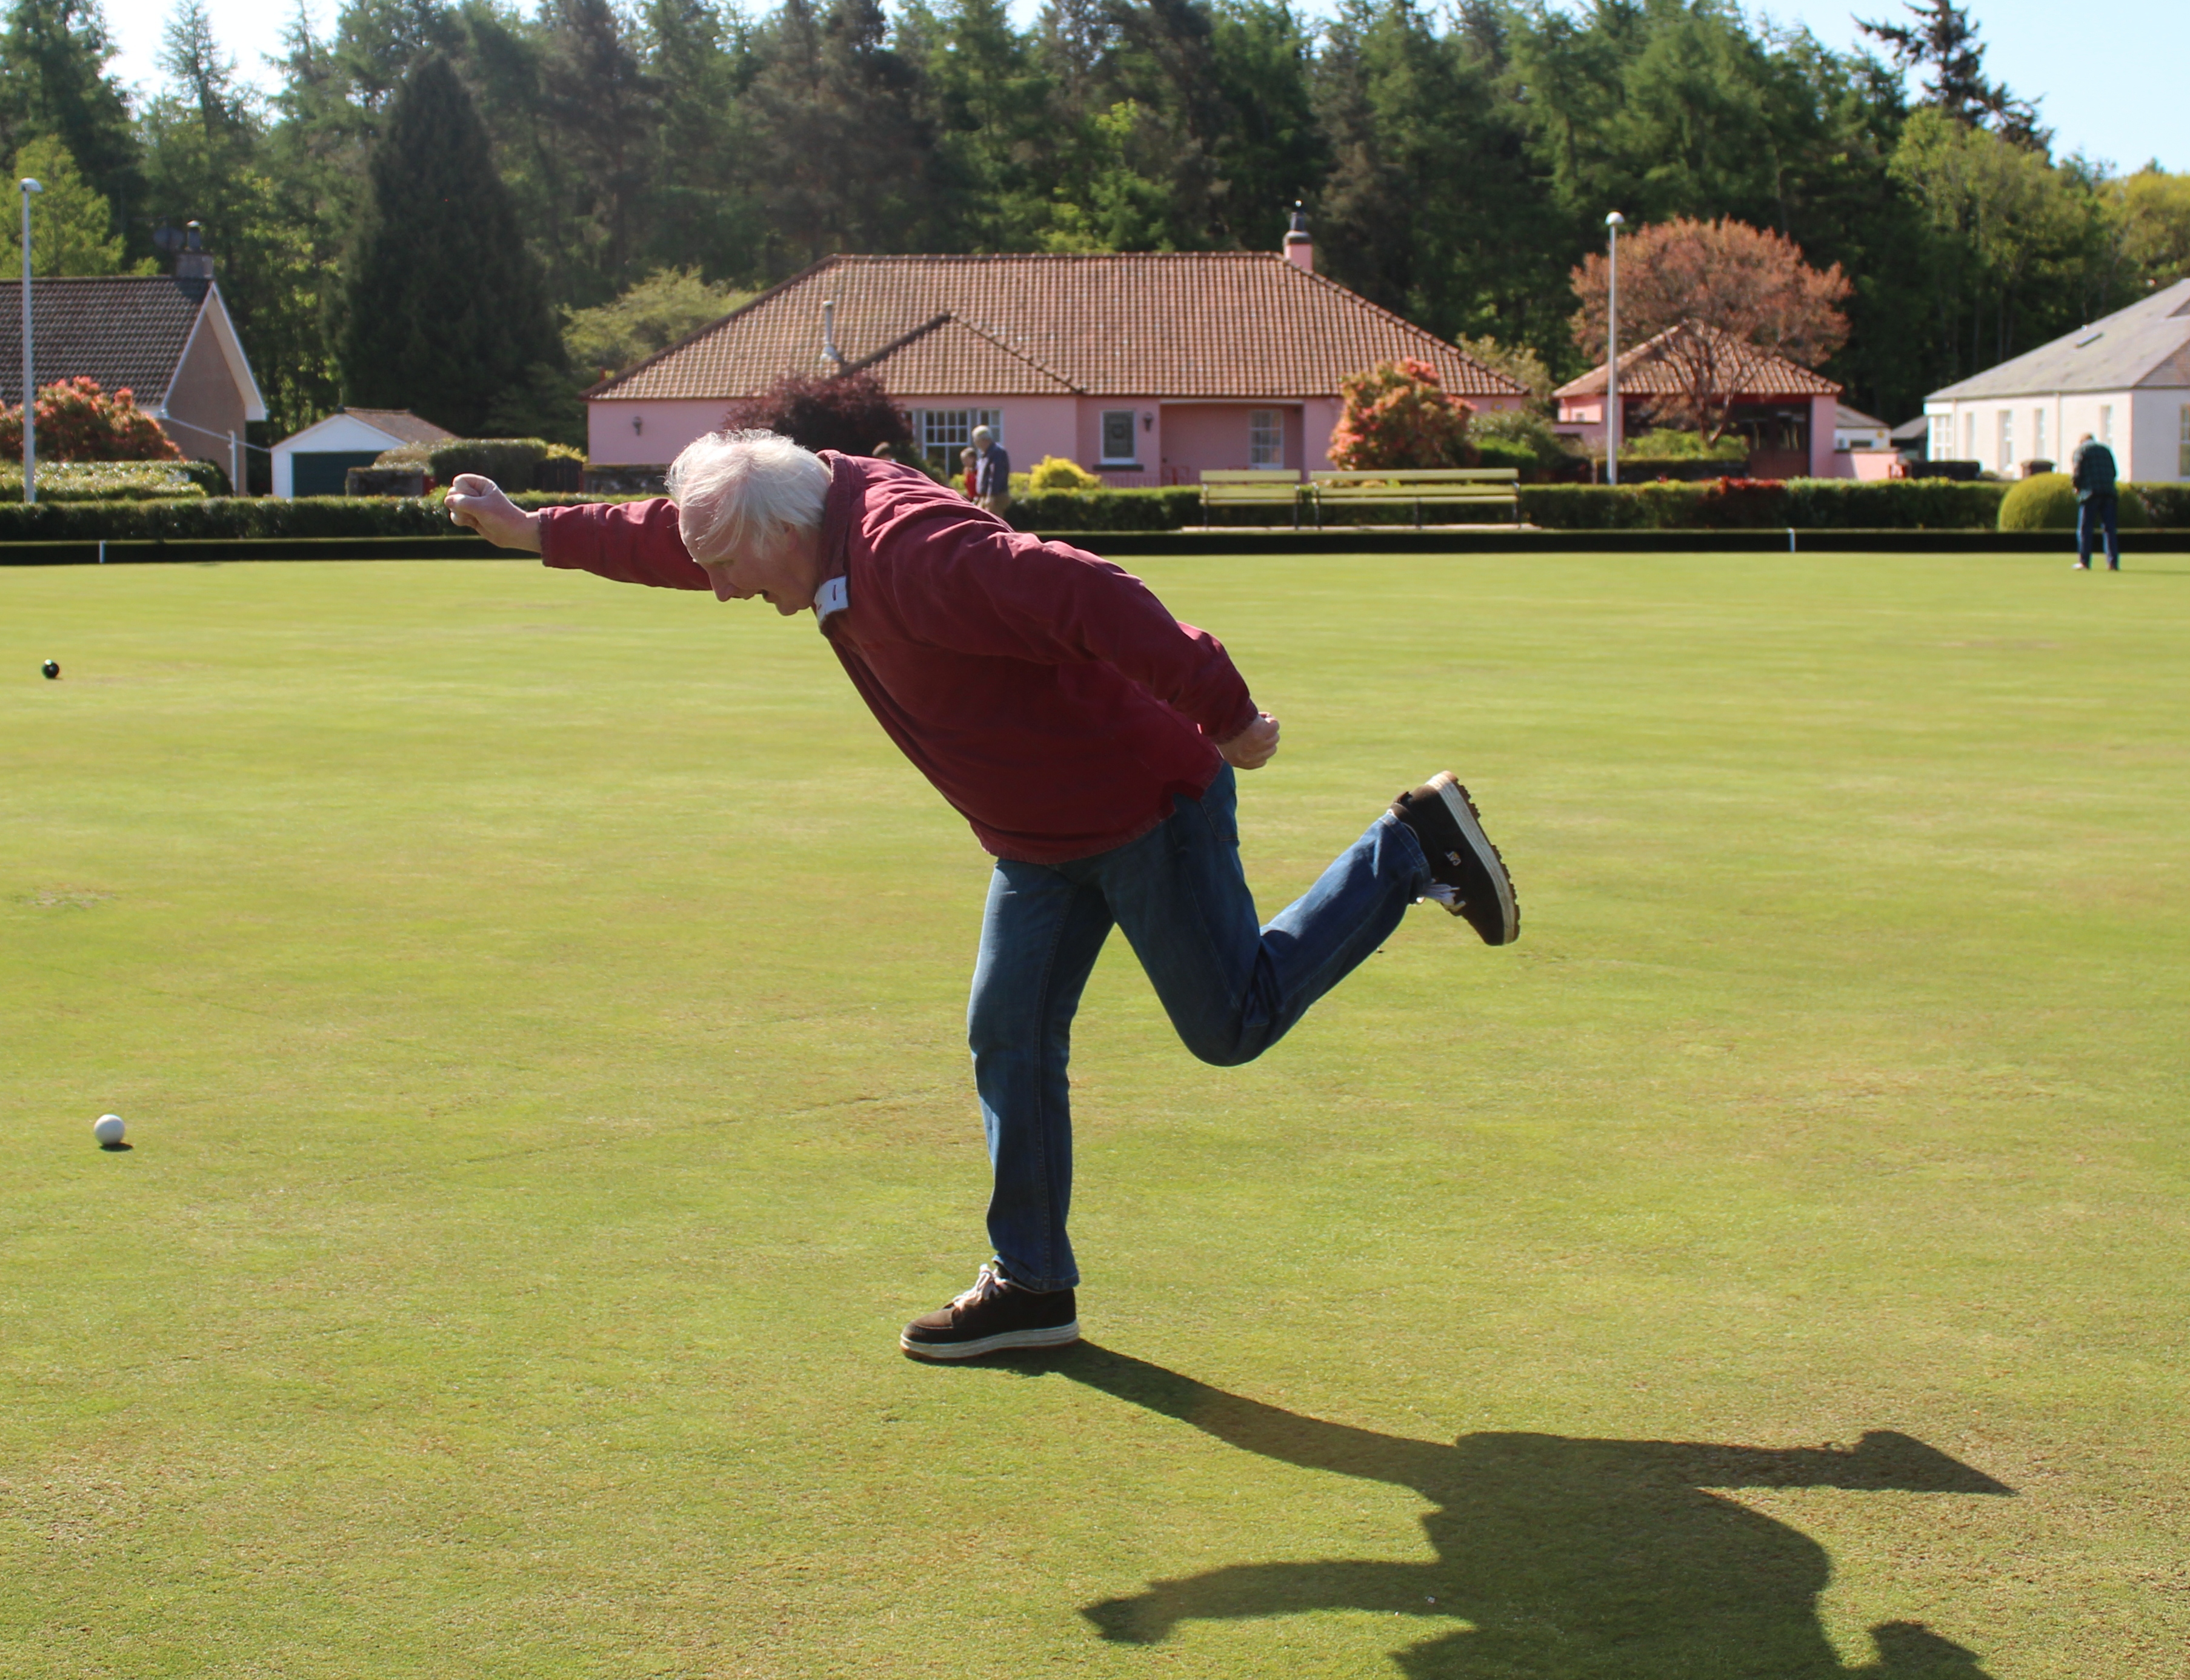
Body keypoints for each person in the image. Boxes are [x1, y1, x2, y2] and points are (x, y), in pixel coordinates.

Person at [445, 431, 1519, 1361]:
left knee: (1229, 1024)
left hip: (1141, 805)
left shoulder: (906, 554)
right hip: (1035, 837)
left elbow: (1085, 590)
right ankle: (1031, 1285)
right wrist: (535, 529)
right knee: (1005, 1035)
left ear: (780, 529)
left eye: (729, 567)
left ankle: (1405, 850)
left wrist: (1225, 715)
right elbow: (665, 536)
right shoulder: (793, 514)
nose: (722, 591)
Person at [2069, 433, 2120, 571]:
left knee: (2085, 529)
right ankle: (2112, 563)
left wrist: (2076, 487)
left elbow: (2077, 472)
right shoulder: (2106, 450)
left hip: (2090, 493)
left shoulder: (2081, 451)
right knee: (2109, 530)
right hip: (2108, 493)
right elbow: (2115, 473)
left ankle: (2084, 562)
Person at [960, 422, 1013, 517]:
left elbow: (996, 475)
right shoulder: (986, 454)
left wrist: (991, 496)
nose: (975, 443)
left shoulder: (997, 453)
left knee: (993, 523)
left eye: (976, 440)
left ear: (983, 440)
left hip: (996, 496)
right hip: (985, 496)